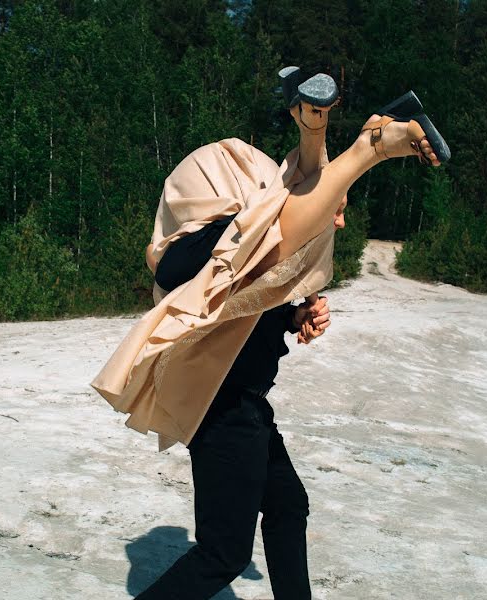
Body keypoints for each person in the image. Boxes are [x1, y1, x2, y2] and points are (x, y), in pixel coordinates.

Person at [92, 69, 448, 599]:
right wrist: (303, 193)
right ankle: (369, 145)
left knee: (287, 505)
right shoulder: (200, 249)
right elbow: (232, 256)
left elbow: (255, 294)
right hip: (222, 407)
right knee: (223, 554)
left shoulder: (247, 262)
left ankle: (331, 137)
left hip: (247, 405)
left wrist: (292, 315)